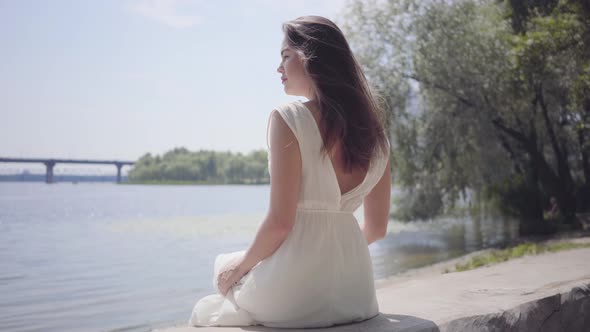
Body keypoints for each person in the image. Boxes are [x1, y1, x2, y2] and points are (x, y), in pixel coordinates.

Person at [189, 15, 391, 328]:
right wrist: (333, 257)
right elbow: (377, 229)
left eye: (285, 56)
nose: (278, 68)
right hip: (357, 295)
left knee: (224, 273)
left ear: (313, 58)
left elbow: (281, 223)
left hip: (295, 298)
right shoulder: (376, 134)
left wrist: (241, 267)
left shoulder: (290, 118)